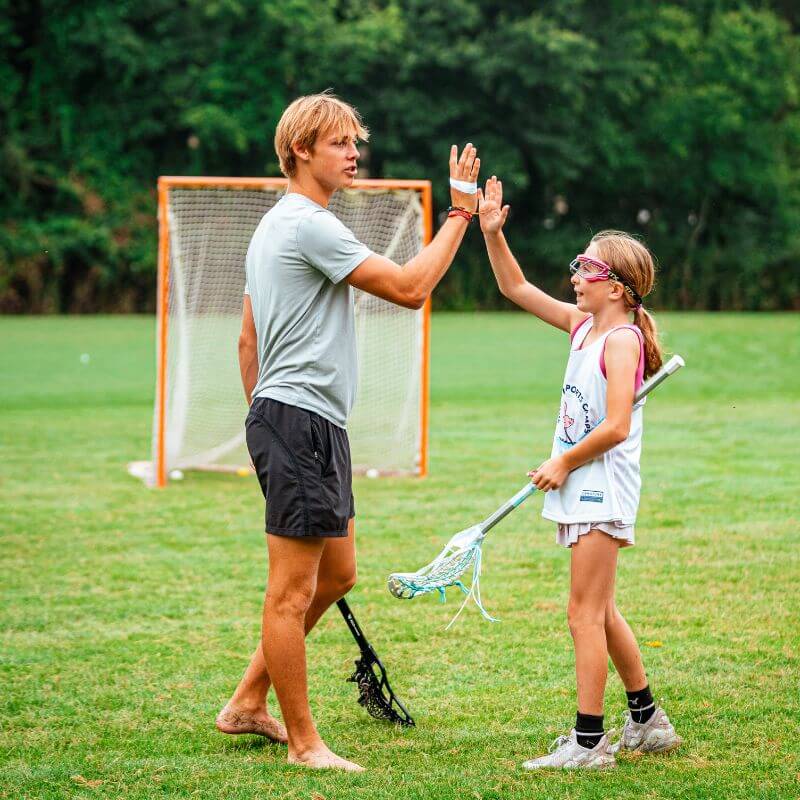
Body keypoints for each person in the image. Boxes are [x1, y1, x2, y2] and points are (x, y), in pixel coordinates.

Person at [216, 91, 481, 772]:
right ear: (301, 149)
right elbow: (410, 287)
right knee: (291, 592)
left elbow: (248, 341)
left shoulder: (278, 225)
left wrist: (261, 422)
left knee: (338, 573)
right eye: (340, 142)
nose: (354, 153)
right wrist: (461, 215)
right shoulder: (308, 225)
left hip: (303, 420)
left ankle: (248, 701)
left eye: (355, 142)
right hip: (296, 418)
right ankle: (306, 745)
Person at [478, 176, 681, 770]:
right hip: (580, 481)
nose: (574, 273)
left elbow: (617, 425)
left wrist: (562, 461)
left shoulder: (619, 341)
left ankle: (588, 743)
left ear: (615, 286)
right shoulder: (582, 326)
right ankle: (646, 720)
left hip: (599, 485)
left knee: (583, 613)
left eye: (584, 266)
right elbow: (515, 286)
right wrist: (494, 234)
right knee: (603, 609)